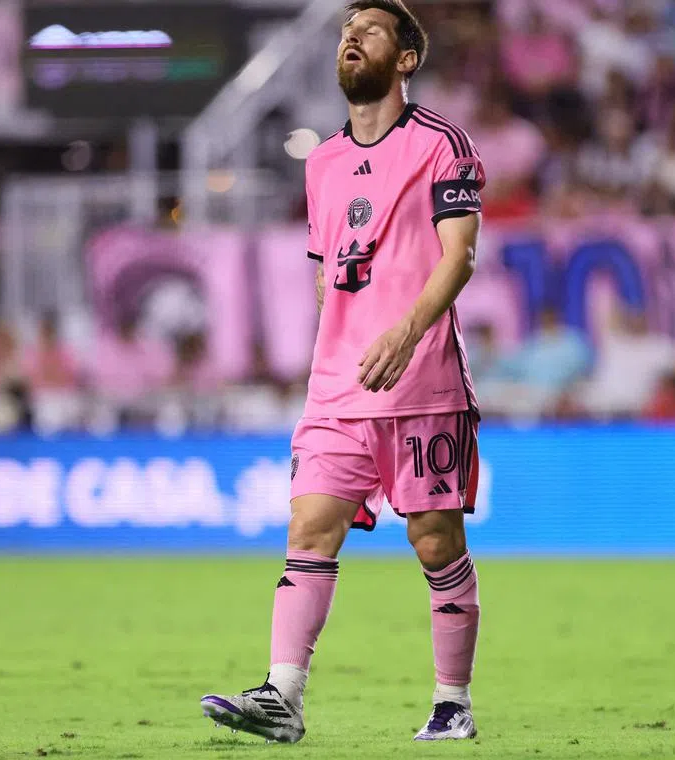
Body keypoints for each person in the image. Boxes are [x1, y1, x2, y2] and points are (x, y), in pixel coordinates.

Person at [201, 0, 485, 744]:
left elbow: (459, 256)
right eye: (345, 31)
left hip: (421, 384)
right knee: (310, 525)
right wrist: (330, 356)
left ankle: (452, 703)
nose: (351, 37)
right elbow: (327, 274)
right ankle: (282, 696)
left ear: (406, 58)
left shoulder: (441, 144)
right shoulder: (322, 163)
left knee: (435, 541)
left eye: (370, 30)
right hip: (336, 390)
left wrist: (405, 329)